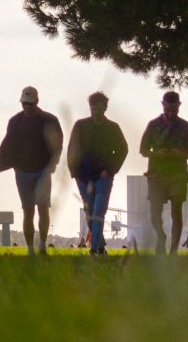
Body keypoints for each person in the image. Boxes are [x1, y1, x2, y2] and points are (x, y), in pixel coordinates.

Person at [0, 86, 63, 255]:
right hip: (22, 172)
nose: (26, 107)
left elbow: (58, 145)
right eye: (24, 103)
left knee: (42, 208)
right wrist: (12, 165)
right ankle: (30, 249)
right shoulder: (15, 121)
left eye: (30, 104)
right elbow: (10, 143)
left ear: (37, 102)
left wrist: (52, 165)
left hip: (43, 171)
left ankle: (42, 244)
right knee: (28, 210)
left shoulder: (49, 120)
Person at [67, 91, 128, 255]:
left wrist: (109, 170)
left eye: (99, 109)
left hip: (103, 177)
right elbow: (72, 148)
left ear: (105, 108)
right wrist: (75, 173)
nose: (96, 113)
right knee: (89, 213)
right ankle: (100, 245)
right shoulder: (80, 126)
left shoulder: (113, 128)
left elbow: (123, 149)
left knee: (98, 212)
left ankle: (93, 250)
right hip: (83, 177)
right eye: (93, 109)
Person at [140, 91, 188, 255]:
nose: (171, 114)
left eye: (174, 110)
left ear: (179, 106)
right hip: (156, 174)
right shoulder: (153, 125)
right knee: (154, 214)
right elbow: (143, 149)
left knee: (176, 211)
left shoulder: (186, 127)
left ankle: (173, 249)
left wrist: (178, 153)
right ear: (162, 105)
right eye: (168, 110)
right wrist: (155, 154)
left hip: (177, 174)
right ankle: (161, 237)